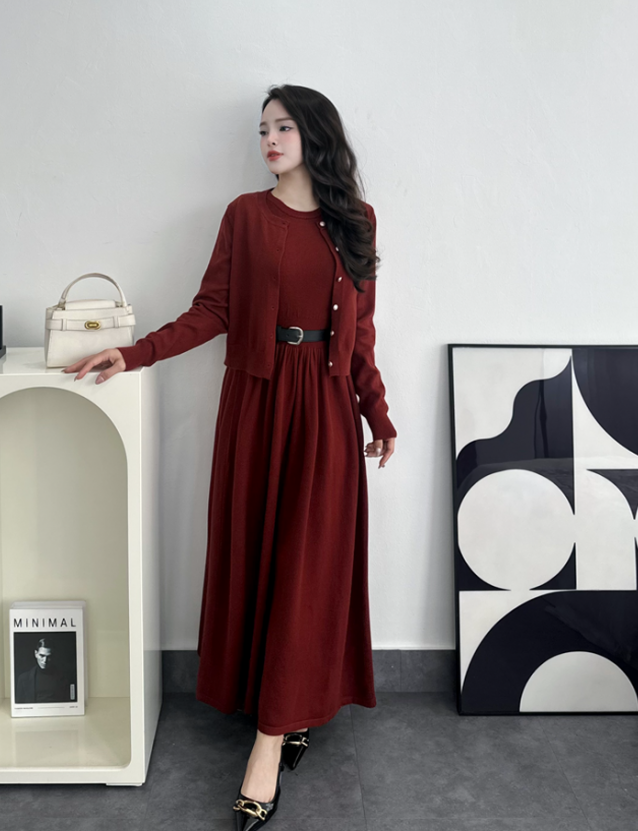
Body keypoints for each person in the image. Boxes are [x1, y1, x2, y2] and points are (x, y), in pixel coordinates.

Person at [63, 84, 396, 828]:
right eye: (262, 129)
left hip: (325, 412)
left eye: (283, 127)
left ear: (315, 135)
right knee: (264, 560)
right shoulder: (245, 215)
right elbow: (212, 308)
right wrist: (135, 353)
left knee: (310, 568)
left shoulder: (356, 220)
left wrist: (376, 411)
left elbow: (362, 332)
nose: (269, 140)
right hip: (257, 407)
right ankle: (285, 709)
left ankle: (269, 742)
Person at [15, 637, 72, 704]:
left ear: (53, 656)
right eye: (42, 656)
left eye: (49, 657)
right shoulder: (23, 679)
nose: (45, 660)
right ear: (36, 654)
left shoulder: (64, 678)